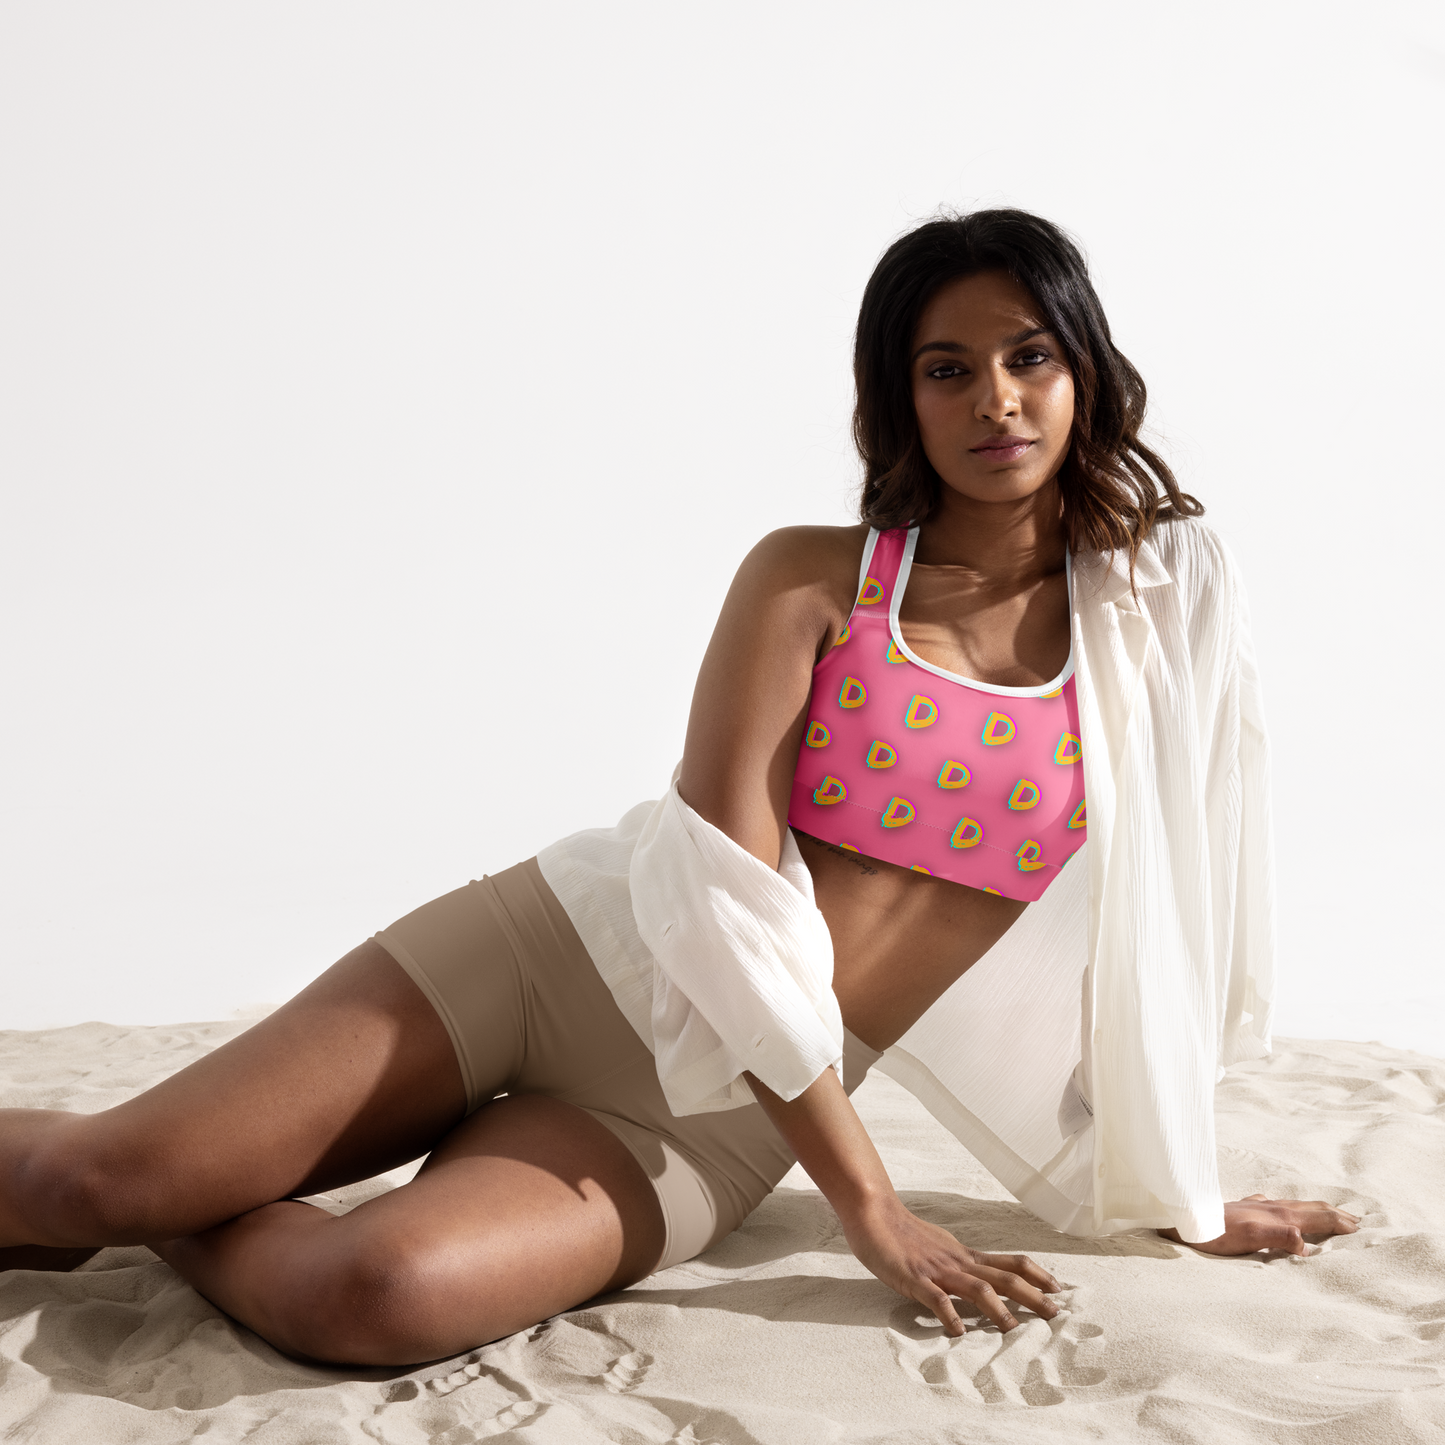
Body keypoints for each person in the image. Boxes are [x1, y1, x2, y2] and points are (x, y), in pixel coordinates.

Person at [0, 209, 1358, 1368]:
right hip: (556, 959)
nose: (995, 400)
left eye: (1029, 356)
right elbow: (719, 900)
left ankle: (186, 1207)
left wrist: (1177, 1191)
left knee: (378, 1296)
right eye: (947, 370)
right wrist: (871, 1205)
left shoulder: (1157, 614)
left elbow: (1161, 928)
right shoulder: (812, 579)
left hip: (719, 1110)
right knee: (90, 1176)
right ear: (898, 400)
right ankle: (156, 1188)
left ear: (1085, 370)